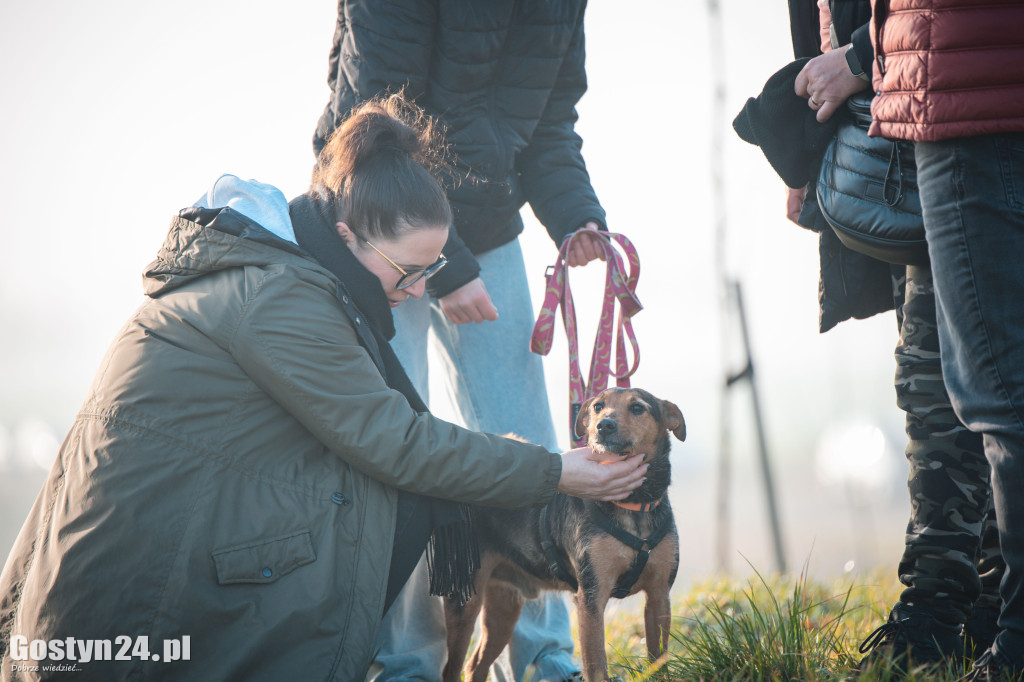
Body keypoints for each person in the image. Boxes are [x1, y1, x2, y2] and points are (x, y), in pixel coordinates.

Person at [0, 95, 648, 682]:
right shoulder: (284, 303)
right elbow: (401, 445)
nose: (421, 292)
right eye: (410, 271)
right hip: (120, 631)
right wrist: (555, 472)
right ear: (346, 235)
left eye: (434, 271)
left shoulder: (289, 274)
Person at [312, 3, 608, 681]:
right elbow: (369, 125)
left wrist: (575, 215)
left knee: (526, 438)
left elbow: (549, 125)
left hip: (487, 224)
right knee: (399, 450)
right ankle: (405, 663)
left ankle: (542, 658)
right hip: (377, 227)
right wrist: (442, 268)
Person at [738, 0, 1004, 674]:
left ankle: (944, 610)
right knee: (943, 378)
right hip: (890, 129)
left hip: (955, 115)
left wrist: (859, 60)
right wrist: (812, 137)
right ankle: (969, 603)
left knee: (953, 382)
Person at [870, 2, 1024, 678]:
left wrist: (856, 60)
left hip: (970, 85)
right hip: (964, 77)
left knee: (1001, 395)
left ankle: (1014, 647)